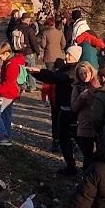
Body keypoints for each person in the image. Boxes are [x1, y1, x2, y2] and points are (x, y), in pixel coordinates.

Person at [30, 46, 81, 174]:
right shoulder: (64, 68)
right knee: (63, 138)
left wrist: (40, 71)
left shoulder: (75, 71)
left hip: (73, 110)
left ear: (76, 57)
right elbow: (51, 79)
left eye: (69, 55)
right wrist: (35, 73)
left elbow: (57, 78)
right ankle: (70, 166)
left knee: (79, 139)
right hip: (62, 107)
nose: (66, 57)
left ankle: (86, 165)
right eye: (66, 54)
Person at [0, 42, 27, 146]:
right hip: (13, 92)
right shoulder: (13, 61)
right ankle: (7, 138)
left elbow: (9, 84)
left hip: (9, 93)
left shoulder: (11, 64)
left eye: (0, 56)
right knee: (5, 115)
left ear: (6, 53)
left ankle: (4, 136)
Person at [70, 61, 100, 169]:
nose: (84, 76)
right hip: (84, 124)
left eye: (85, 73)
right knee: (87, 154)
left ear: (91, 72)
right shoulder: (77, 87)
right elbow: (74, 107)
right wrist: (81, 98)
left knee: (101, 153)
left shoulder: (99, 84)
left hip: (98, 123)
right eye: (81, 74)